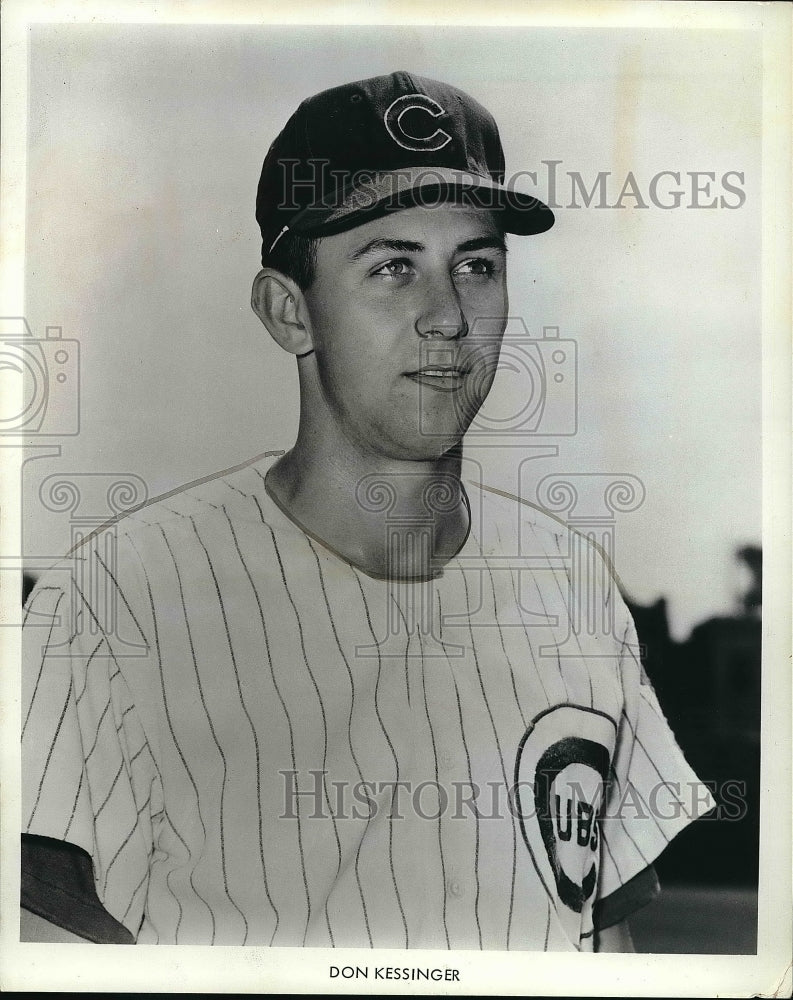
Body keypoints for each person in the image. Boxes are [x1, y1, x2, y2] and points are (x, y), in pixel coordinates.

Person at [20, 70, 714, 950]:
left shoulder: (570, 582)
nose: (447, 317)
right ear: (288, 312)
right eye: (393, 267)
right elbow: (44, 949)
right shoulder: (114, 597)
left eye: (477, 266)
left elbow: (601, 945)